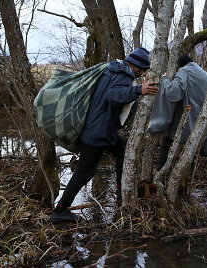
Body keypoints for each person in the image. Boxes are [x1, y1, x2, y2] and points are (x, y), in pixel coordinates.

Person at [50, 47, 158, 224]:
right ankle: (60, 211)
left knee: (121, 149)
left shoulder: (111, 70)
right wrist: (139, 90)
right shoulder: (126, 74)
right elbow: (114, 96)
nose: (143, 73)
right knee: (84, 173)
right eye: (143, 69)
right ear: (137, 66)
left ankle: (120, 195)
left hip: (97, 128)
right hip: (98, 132)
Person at [156, 54, 207, 170]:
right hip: (200, 124)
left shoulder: (184, 71)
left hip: (186, 123)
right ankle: (184, 174)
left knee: (166, 144)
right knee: (190, 150)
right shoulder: (204, 73)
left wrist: (164, 79)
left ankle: (161, 174)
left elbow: (173, 92)